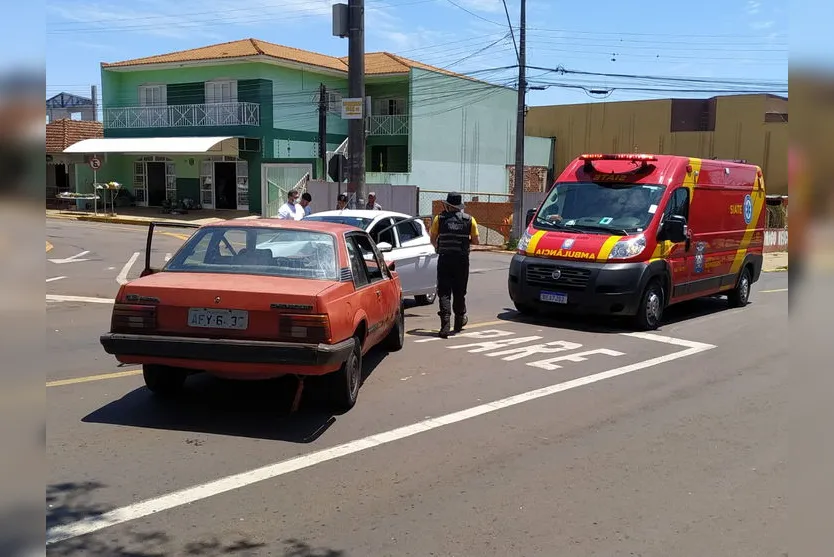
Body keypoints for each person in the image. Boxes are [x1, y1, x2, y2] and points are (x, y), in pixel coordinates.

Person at [429, 191, 480, 338]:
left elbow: (432, 238)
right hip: (462, 260)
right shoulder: (470, 220)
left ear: (448, 205)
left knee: (444, 292)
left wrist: (439, 248)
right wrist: (464, 241)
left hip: (445, 259)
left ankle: (444, 326)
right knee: (459, 291)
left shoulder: (440, 219)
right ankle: (458, 323)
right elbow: (476, 241)